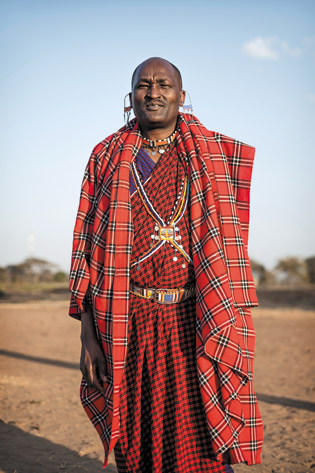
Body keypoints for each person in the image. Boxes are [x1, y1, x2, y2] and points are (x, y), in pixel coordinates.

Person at [69, 57, 263, 473]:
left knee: (200, 441)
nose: (153, 92)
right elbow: (86, 246)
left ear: (181, 96)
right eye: (143, 85)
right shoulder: (106, 156)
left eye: (163, 84)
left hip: (193, 319)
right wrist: (87, 333)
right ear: (130, 96)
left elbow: (225, 249)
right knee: (137, 434)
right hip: (127, 320)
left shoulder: (211, 155)